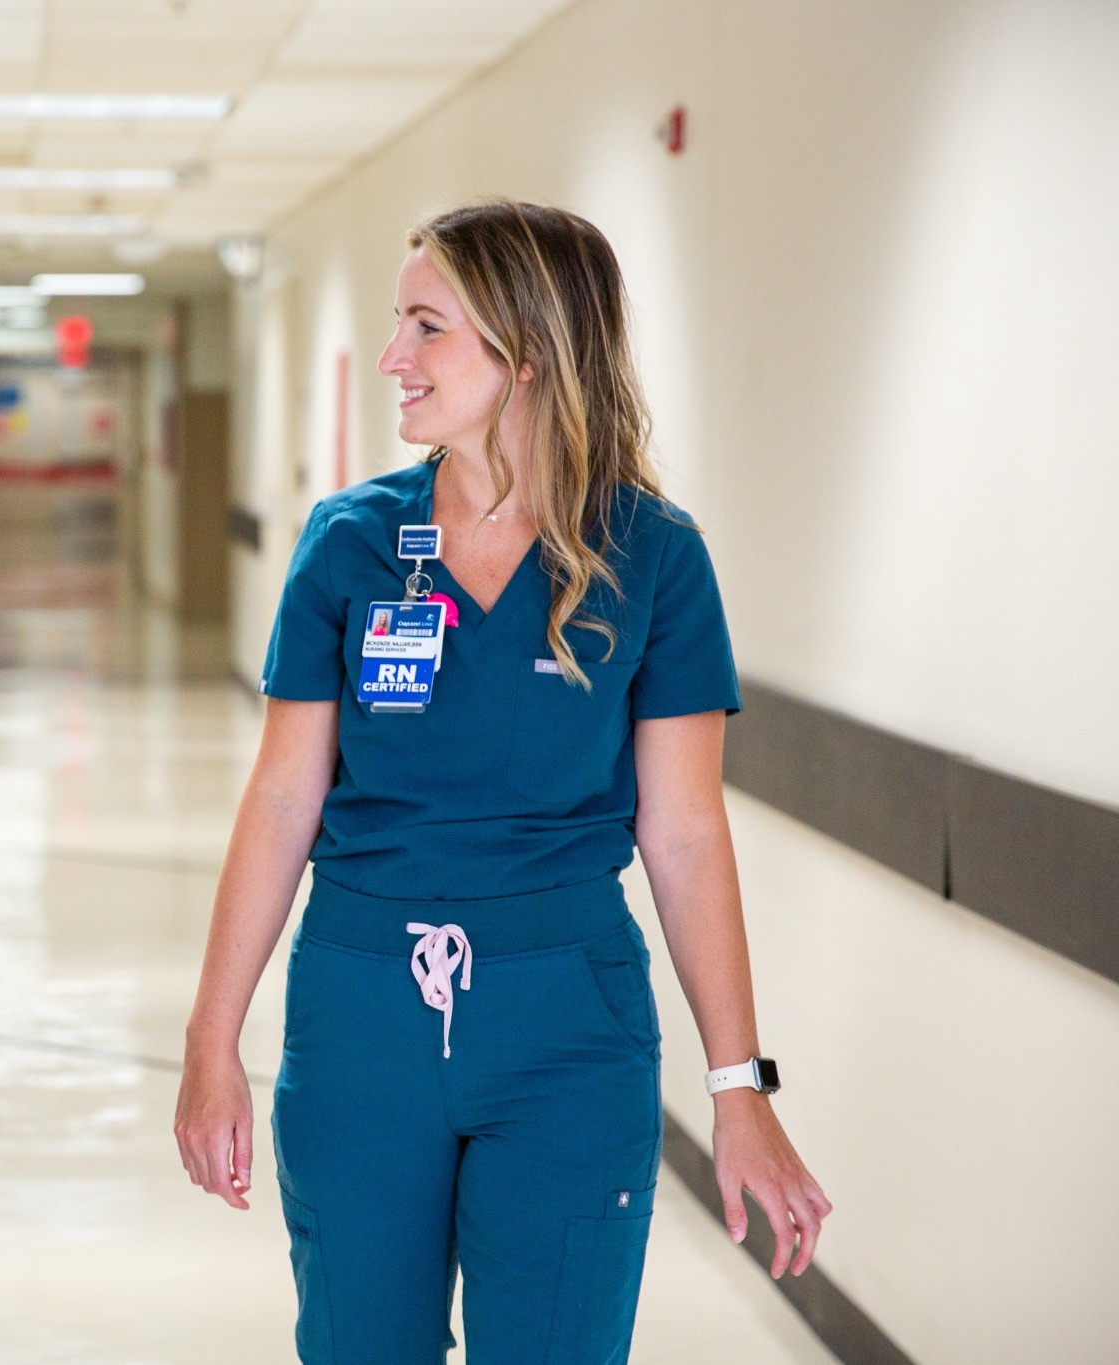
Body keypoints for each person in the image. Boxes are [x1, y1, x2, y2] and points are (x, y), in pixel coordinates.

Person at [174, 201, 830, 1363]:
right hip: (361, 1008)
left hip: (566, 1020)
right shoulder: (350, 545)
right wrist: (209, 1039)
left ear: (522, 351)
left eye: (424, 327)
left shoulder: (651, 557)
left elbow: (682, 836)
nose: (392, 358)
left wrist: (739, 1089)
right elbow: (282, 801)